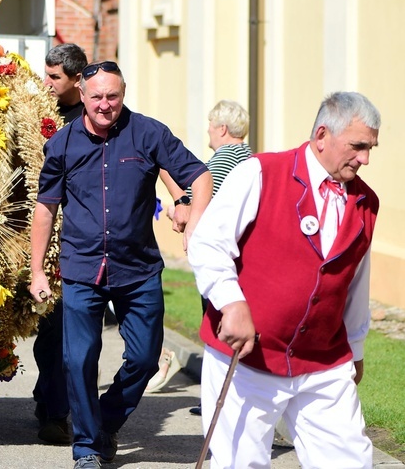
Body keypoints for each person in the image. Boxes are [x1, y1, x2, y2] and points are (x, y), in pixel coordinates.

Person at [30, 60, 212, 469]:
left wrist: (194, 225)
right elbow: (46, 208)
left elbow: (199, 177)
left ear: (124, 93)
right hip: (82, 269)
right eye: (96, 97)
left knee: (146, 359)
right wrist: (37, 270)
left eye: (113, 96)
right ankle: (88, 448)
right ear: (82, 94)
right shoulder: (61, 144)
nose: (105, 105)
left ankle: (105, 419)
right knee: (78, 359)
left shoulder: (148, 133)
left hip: (139, 268)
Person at [188, 91, 380, 468]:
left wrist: (355, 348)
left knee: (349, 462)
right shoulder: (260, 173)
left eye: (371, 148)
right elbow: (208, 243)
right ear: (322, 135)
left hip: (324, 364)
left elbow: (355, 281)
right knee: (240, 463)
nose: (365, 159)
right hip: (246, 360)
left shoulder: (366, 202)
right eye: (357, 146)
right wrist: (232, 301)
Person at [146, 100, 253, 400]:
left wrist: (170, 207)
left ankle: (220, 399)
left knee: (218, 324)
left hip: (220, 255)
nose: (207, 129)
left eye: (210, 124)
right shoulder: (248, 157)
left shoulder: (222, 160)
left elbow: (197, 203)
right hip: (241, 254)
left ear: (222, 128)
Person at [32, 43, 88, 446]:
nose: (46, 83)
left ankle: (57, 411)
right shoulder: (36, 109)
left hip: (79, 236)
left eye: (54, 78)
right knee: (51, 330)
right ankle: (49, 403)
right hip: (42, 230)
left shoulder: (94, 116)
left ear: (76, 79)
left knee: (70, 332)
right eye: (46, 75)